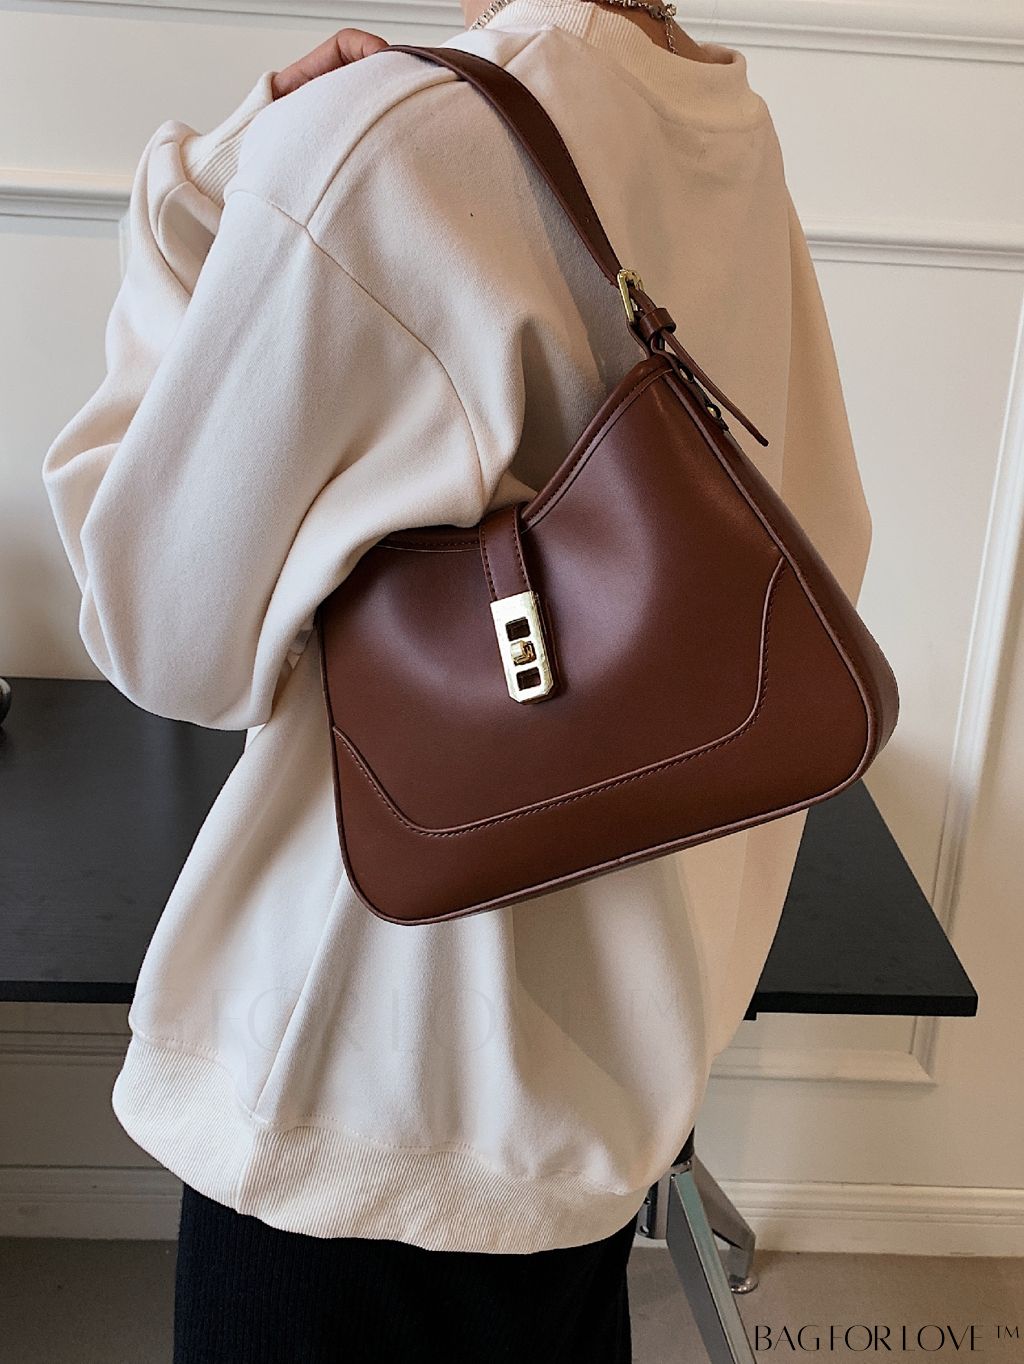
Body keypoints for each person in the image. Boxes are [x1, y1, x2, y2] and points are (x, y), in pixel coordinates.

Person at [41, 0, 873, 1358]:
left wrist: (185, 197)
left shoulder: (390, 144)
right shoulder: (721, 125)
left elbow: (157, 636)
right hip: (600, 1109)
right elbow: (822, 542)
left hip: (360, 1109)